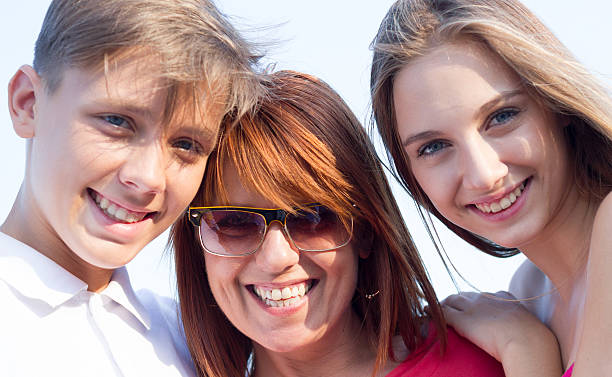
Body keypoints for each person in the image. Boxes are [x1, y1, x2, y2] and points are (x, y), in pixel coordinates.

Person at [170, 70, 564, 377]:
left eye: (312, 217)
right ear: (197, 239)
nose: (276, 258)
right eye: (234, 222)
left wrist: (527, 350)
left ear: (365, 228)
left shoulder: (490, 359)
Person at [0, 0, 260, 375]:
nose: (149, 177)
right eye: (117, 121)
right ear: (28, 104)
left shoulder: (190, 342)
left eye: (186, 145)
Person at [369, 0, 612, 376]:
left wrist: (526, 349)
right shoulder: (530, 292)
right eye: (433, 147)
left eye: (501, 117)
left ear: (556, 101)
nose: (483, 175)